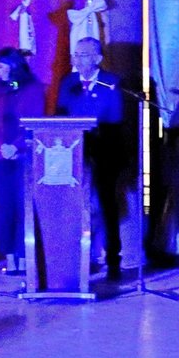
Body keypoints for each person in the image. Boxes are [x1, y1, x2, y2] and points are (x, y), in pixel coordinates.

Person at [55, 36, 128, 277]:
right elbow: (60, 115)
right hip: (74, 151)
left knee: (106, 204)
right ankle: (74, 258)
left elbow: (115, 117)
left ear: (97, 58)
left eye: (83, 55)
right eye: (75, 54)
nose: (77, 59)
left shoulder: (111, 82)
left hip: (104, 150)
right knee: (74, 204)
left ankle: (113, 258)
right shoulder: (68, 82)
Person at [0, 46, 45, 273]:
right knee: (4, 206)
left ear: (13, 65)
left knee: (23, 206)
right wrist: (2, 146)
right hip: (1, 155)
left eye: (0, 66)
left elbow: (35, 121)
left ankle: (24, 257)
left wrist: (16, 145)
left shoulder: (33, 88)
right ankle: (9, 257)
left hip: (24, 155)